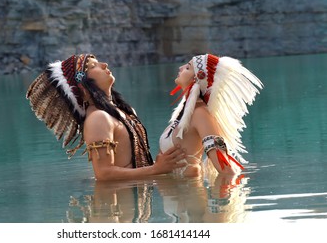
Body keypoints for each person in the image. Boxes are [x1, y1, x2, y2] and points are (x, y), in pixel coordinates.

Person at [26, 53, 185, 181]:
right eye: (93, 66)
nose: (104, 65)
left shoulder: (123, 111)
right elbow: (103, 174)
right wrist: (156, 169)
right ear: (82, 86)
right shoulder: (98, 118)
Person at [159, 53, 263, 177]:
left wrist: (230, 192)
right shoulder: (186, 112)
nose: (180, 68)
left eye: (187, 68)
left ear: (196, 79)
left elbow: (226, 170)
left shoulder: (200, 114)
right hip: (175, 193)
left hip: (188, 194)